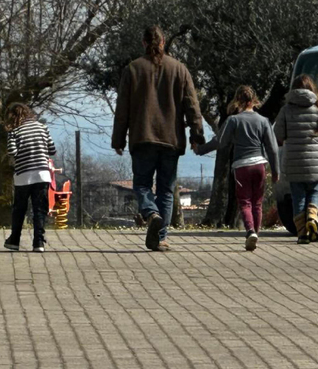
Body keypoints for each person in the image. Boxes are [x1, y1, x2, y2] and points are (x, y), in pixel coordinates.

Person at [112, 25, 205, 251]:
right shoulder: (180, 69)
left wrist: (118, 140)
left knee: (142, 184)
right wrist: (197, 134)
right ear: (163, 42)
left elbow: (122, 109)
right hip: (171, 140)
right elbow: (192, 105)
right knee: (166, 189)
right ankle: (161, 237)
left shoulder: (133, 70)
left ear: (144, 43)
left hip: (142, 138)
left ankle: (151, 213)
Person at [218, 85, 279, 251]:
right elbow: (272, 148)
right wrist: (275, 171)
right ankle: (256, 236)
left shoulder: (233, 120)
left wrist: (202, 149)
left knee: (244, 202)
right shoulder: (263, 121)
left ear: (238, 100)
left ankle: (250, 231)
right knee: (257, 203)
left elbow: (222, 142)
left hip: (241, 166)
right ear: (254, 101)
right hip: (259, 165)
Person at [274, 74, 318, 244]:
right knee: (314, 192)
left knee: (298, 197)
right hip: (313, 162)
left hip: (293, 162)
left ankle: (302, 234)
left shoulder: (286, 109)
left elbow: (278, 135)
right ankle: (312, 217)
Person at [3, 102, 56, 253]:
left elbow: (12, 150)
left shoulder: (14, 131)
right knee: (39, 209)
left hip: (23, 175)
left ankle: (14, 240)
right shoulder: (42, 127)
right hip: (42, 174)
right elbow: (52, 149)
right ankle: (39, 242)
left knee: (19, 209)